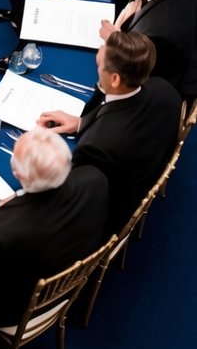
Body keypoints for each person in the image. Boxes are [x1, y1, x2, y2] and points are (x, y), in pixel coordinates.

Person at [39, 30, 182, 233]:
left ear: (115, 79)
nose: (97, 67)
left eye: (99, 65)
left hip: (105, 216)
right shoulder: (165, 90)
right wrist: (81, 123)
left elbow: (72, 197)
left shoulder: (96, 148)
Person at [0, 129, 109, 325]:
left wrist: (15, 208)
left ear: (17, 175)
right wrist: (20, 201)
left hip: (17, 308)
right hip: (75, 273)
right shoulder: (94, 179)